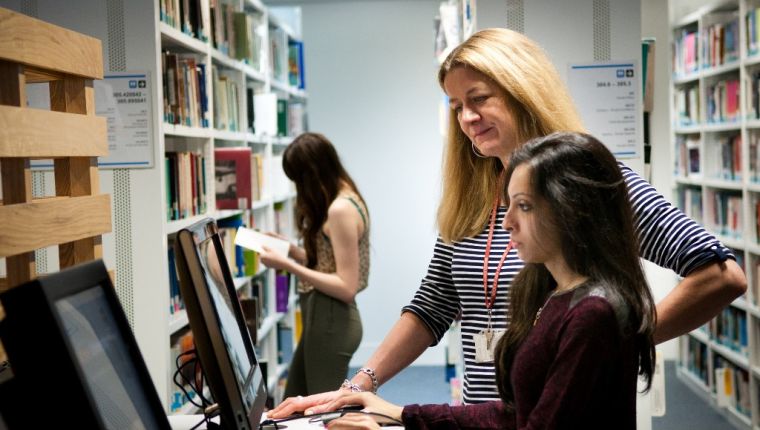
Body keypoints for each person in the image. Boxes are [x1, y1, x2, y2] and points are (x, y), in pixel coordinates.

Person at [269, 27, 745, 415]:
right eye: (456, 106)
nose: (467, 118)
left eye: (479, 98)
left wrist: (620, 341)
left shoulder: (585, 180)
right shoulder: (474, 195)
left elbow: (720, 273)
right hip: (479, 417)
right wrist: (359, 384)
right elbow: (434, 303)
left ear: (522, 93)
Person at [320, 131, 657, 429]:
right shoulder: (559, 296)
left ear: (571, 209)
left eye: (523, 206)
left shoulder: (592, 314)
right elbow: (517, 414)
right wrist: (400, 414)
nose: (507, 222)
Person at [259, 132, 370, 396]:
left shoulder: (340, 209)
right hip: (321, 316)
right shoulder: (343, 194)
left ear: (312, 173)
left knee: (322, 413)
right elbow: (327, 262)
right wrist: (288, 249)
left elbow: (346, 286)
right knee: (293, 403)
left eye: (299, 179)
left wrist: (288, 265)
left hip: (331, 319)